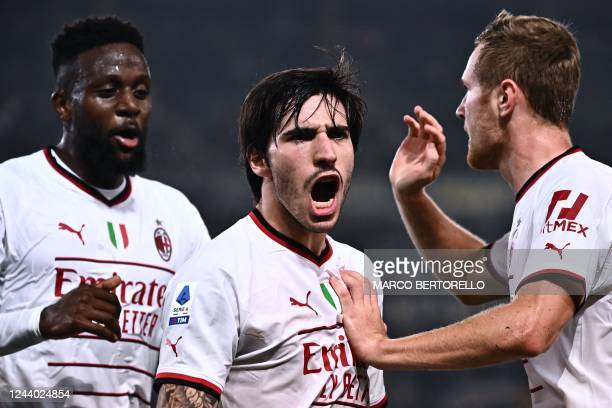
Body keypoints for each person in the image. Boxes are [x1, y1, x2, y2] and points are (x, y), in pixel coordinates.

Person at [330, 10, 612, 407]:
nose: (461, 109)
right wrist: (411, 196)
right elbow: (473, 278)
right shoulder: (556, 192)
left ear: (504, 98)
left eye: (469, 89)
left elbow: (531, 325)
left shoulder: (574, 190)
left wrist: (382, 348)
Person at [154, 54, 387, 408]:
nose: (327, 152)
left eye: (338, 134)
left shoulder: (360, 270)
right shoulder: (217, 274)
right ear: (259, 160)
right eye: (301, 136)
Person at [0, 17, 210, 406]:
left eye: (141, 92)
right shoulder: (9, 190)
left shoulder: (178, 215)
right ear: (64, 105)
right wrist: (42, 320)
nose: (130, 106)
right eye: (108, 91)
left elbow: (205, 339)